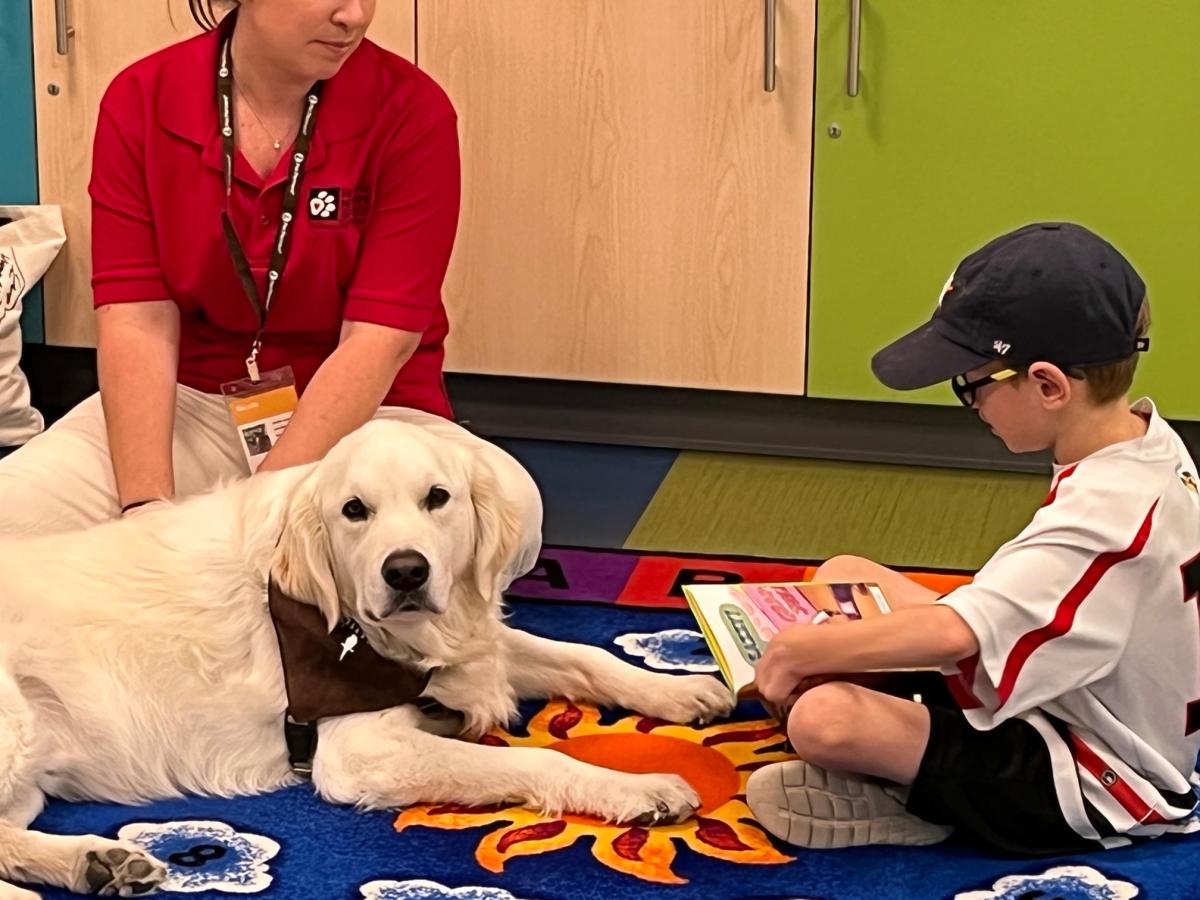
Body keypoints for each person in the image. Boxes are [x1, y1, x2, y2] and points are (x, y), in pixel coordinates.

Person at [0, 0, 541, 580]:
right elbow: (138, 320)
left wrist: (257, 519)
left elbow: (377, 341)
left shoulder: (412, 109)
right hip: (192, 406)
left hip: (372, 419)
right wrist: (146, 515)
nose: (354, 16)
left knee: (511, 514)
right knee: (15, 518)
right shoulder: (142, 98)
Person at [745, 222, 1200, 855]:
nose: (971, 403)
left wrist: (799, 653)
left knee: (823, 717)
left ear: (1047, 385)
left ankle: (914, 804)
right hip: (1070, 687)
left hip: (1094, 775)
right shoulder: (1143, 440)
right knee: (843, 573)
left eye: (972, 384)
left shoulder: (1106, 512)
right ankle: (908, 755)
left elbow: (958, 632)